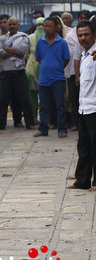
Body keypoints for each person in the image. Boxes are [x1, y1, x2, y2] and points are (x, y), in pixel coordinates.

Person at [68, 21, 96, 190]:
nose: (83, 38)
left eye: (86, 34)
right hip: (84, 107)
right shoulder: (85, 56)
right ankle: (82, 180)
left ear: (94, 35)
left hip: (95, 108)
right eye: (80, 35)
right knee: (83, 146)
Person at [0, 17, 35, 130]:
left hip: (19, 73)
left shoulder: (23, 37)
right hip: (6, 73)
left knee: (25, 99)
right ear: (7, 26)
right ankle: (1, 124)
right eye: (10, 24)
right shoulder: (2, 38)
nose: (12, 26)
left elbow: (21, 51)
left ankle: (30, 123)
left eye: (14, 24)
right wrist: (13, 52)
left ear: (18, 25)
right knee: (3, 100)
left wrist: (6, 49)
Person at [34, 18, 71, 138]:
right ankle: (43, 129)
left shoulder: (62, 43)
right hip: (44, 79)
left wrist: (57, 67)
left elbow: (66, 59)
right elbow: (38, 58)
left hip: (58, 78)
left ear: (56, 27)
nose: (46, 28)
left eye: (49, 26)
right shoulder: (40, 42)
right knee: (44, 106)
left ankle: (62, 129)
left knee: (60, 105)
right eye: (45, 26)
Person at [26, 17, 45, 123]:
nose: (40, 27)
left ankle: (44, 118)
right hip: (31, 69)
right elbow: (27, 54)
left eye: (42, 24)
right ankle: (33, 117)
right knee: (32, 95)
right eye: (38, 25)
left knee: (44, 95)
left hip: (45, 69)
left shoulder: (48, 39)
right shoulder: (31, 37)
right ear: (35, 26)